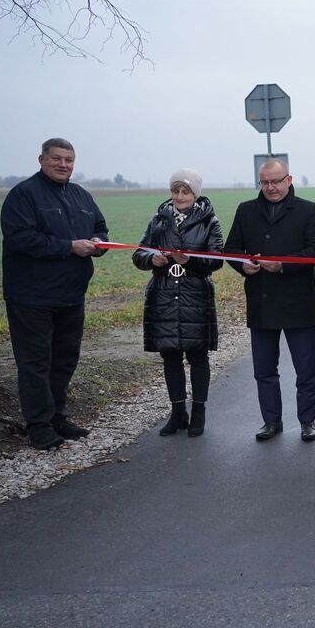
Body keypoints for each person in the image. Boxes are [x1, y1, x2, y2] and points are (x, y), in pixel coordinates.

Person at [0, 138, 108, 450]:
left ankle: (58, 416)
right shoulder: (23, 195)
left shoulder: (81, 195)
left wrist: (98, 243)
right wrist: (69, 246)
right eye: (57, 159)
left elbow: (100, 228)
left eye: (69, 160)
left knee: (64, 360)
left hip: (71, 295)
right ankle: (38, 426)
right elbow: (21, 239)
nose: (63, 165)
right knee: (35, 363)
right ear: (41, 159)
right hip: (31, 297)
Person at [224, 159, 315, 442]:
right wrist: (243, 265)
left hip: (298, 301)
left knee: (306, 369)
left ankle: (308, 421)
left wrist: (282, 265)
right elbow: (231, 248)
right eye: (265, 182)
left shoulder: (308, 210)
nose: (270, 187)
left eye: (276, 181)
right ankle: (271, 421)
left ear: (289, 180)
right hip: (262, 301)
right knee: (264, 370)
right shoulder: (246, 210)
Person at [132, 169, 223, 437]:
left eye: (185, 191)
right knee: (170, 355)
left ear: (195, 193)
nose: (179, 196)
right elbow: (138, 254)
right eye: (175, 190)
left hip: (195, 294)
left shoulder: (209, 222)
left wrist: (190, 260)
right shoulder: (158, 221)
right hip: (163, 294)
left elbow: (217, 259)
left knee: (197, 355)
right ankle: (177, 412)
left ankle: (198, 413)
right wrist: (152, 260)